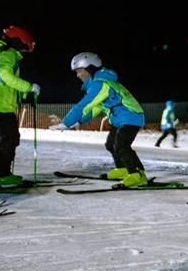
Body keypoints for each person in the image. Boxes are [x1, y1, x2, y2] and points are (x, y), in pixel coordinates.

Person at [49, 52, 148, 187]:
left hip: (131, 117)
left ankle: (138, 174)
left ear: (90, 69)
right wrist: (79, 122)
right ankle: (123, 169)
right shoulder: (98, 84)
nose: (78, 75)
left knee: (122, 146)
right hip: (120, 119)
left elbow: (84, 105)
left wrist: (66, 122)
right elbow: (94, 109)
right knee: (111, 144)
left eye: (79, 71)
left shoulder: (101, 84)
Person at [0, 26, 40, 187]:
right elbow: (5, 76)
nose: (23, 51)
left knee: (1, 137)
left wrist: (21, 94)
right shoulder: (7, 53)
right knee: (10, 138)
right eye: (24, 47)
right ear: (17, 42)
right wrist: (29, 87)